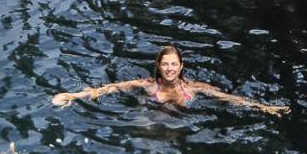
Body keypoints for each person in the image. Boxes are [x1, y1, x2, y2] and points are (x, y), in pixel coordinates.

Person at [52, 45, 290, 115]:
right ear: (158, 66)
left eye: (174, 64)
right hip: (148, 120)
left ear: (181, 66)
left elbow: (228, 98)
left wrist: (263, 107)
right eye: (165, 64)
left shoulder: (193, 87)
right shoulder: (148, 84)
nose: (169, 68)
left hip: (177, 124)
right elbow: (111, 88)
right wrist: (74, 96)